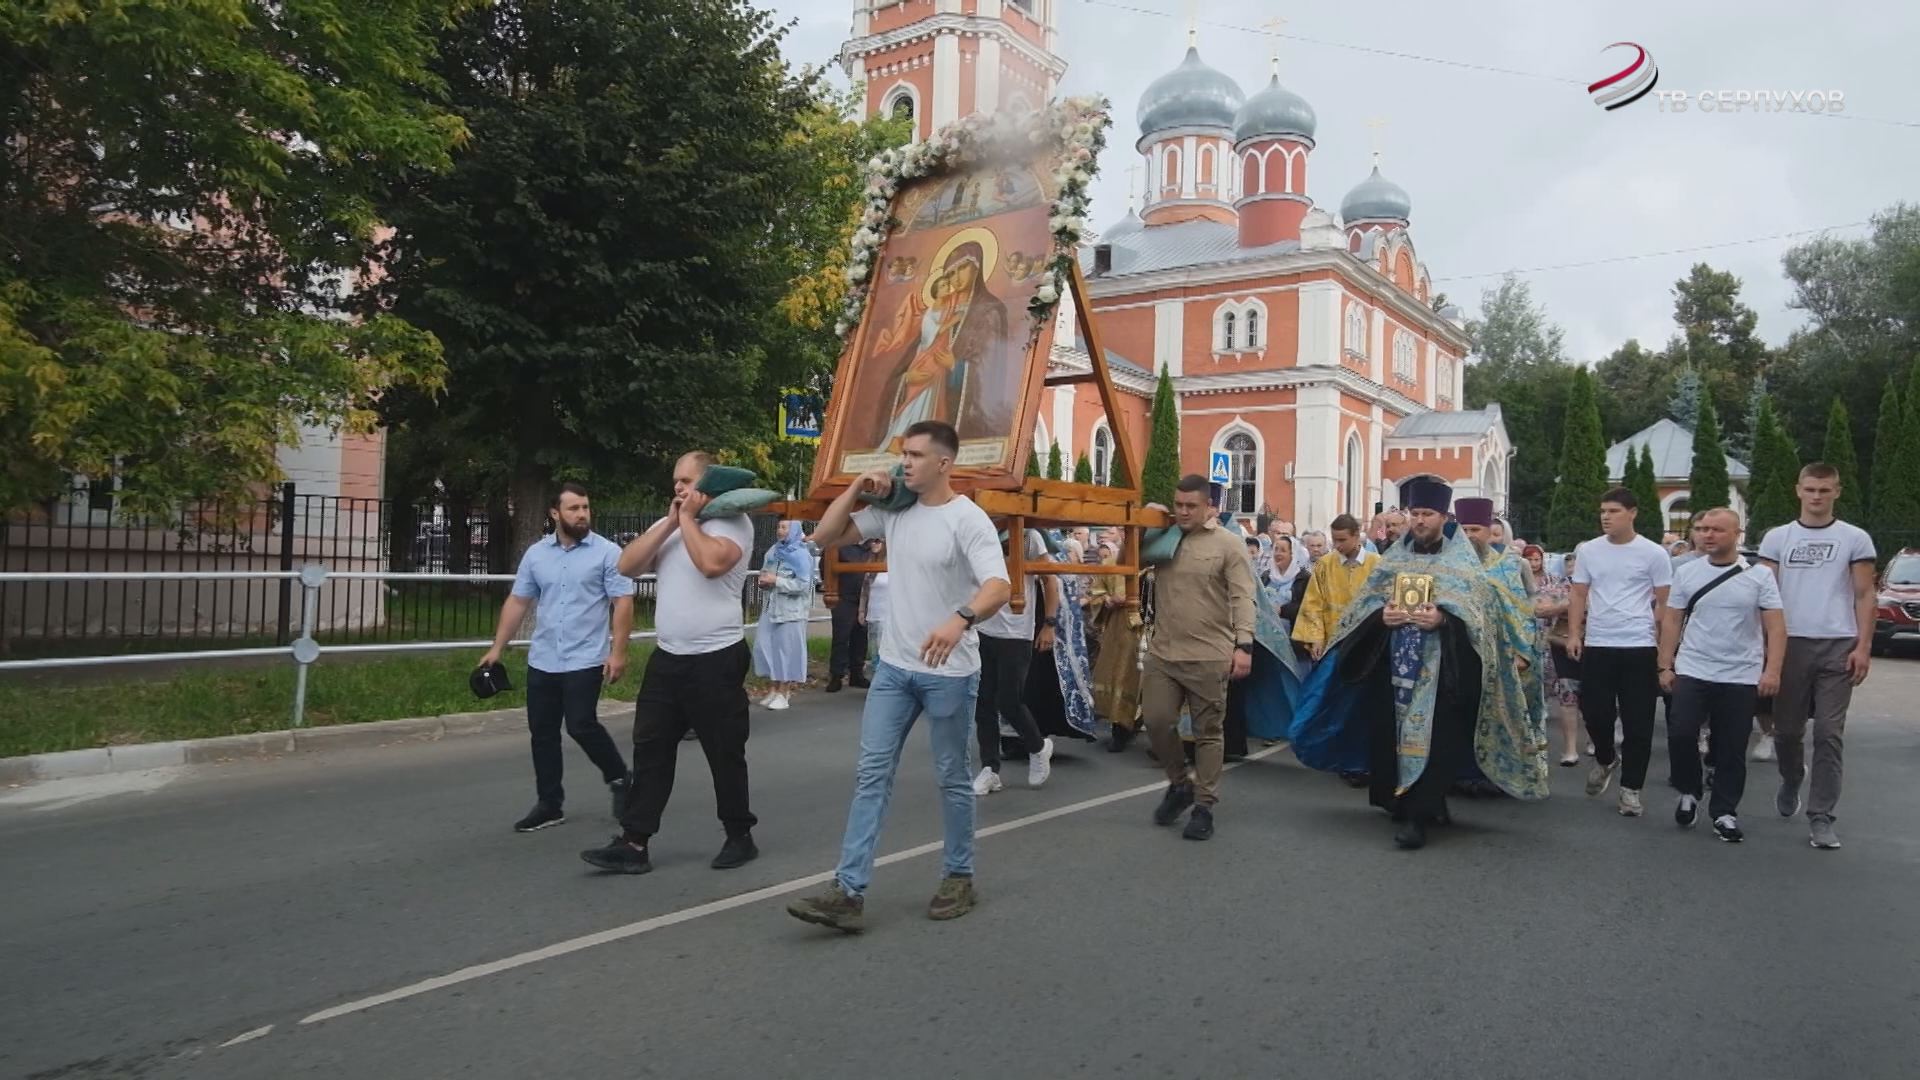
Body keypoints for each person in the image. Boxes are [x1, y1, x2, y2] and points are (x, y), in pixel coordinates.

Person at [787, 421, 1011, 932]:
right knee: (871, 775)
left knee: (952, 777)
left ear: (944, 464)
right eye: (902, 455)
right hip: (894, 669)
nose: (905, 463)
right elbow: (822, 537)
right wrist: (856, 488)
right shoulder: (896, 512)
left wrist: (960, 620)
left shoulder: (967, 519)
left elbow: (999, 586)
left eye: (915, 455)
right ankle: (848, 890)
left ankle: (959, 876)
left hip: (949, 673)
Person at [1292, 480, 1547, 849]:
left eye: (1427, 514)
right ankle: (1407, 802)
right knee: (1392, 737)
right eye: (1415, 514)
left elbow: (1479, 619)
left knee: (1436, 739)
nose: (1419, 520)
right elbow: (1363, 609)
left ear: (1444, 517)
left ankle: (1419, 814)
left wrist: (1444, 621)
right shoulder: (1394, 559)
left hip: (1443, 671)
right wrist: (1384, 616)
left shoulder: (1464, 567)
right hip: (1392, 668)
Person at [580, 453, 758, 875]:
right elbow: (627, 565)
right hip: (669, 659)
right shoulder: (672, 526)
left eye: (686, 480)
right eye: (675, 481)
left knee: (723, 751)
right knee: (651, 751)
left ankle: (739, 835)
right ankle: (634, 842)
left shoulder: (733, 523)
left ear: (708, 482)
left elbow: (712, 565)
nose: (678, 488)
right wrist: (671, 524)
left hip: (716, 658)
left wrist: (690, 521)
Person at [482, 483, 635, 834]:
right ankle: (550, 804)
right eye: (574, 508)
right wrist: (496, 648)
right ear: (555, 514)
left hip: (585, 657)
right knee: (543, 732)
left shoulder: (608, 553)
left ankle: (620, 778)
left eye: (585, 507)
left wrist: (618, 652)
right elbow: (518, 601)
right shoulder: (537, 555)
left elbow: (622, 602)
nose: (582, 514)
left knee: (581, 724)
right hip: (544, 657)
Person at [1757, 462, 1877, 850]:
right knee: (1788, 731)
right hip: (1790, 643)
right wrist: (1763, 647)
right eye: (1810, 489)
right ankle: (1792, 776)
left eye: (1825, 490)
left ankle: (1821, 815)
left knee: (1828, 732)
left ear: (1836, 492)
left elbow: (1864, 595)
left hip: (1837, 643)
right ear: (1799, 491)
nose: (1817, 496)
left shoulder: (1854, 538)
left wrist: (1863, 646)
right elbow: (1763, 594)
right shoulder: (1778, 537)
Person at [1657, 508, 1785, 843]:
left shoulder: (1759, 576)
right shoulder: (1687, 573)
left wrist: (1771, 670)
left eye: (1717, 529)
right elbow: (1672, 620)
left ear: (1737, 534)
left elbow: (1775, 626)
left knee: (1730, 746)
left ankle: (1725, 811)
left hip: (1740, 673)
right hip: (1695, 667)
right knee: (1682, 733)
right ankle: (1688, 790)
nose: (1707, 535)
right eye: (1702, 529)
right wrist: (1665, 664)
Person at [1141, 475, 1257, 842]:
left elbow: (1242, 596)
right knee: (1157, 722)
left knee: (1208, 733)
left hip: (1209, 655)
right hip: (1164, 651)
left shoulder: (1229, 545)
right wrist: (1144, 520)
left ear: (1209, 506)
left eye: (1191, 505)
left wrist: (1245, 645)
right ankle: (1179, 785)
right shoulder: (1163, 537)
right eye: (1178, 504)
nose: (1183, 512)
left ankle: (1204, 806)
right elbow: (1126, 560)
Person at [1566, 487, 1673, 818]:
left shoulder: (1653, 553)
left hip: (1639, 645)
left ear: (1632, 513)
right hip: (1599, 643)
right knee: (1595, 712)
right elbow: (1579, 594)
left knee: (1638, 721)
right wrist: (1574, 633)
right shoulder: (1590, 551)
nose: (1605, 517)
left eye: (1613, 511)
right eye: (1602, 511)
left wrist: (1662, 650)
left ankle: (1631, 790)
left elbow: (1666, 602)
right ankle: (1605, 757)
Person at [971, 527, 1060, 795]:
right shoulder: (980, 529)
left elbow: (1049, 581)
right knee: (983, 700)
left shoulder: (1028, 535)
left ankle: (1038, 746)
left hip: (1016, 631)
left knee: (1009, 700)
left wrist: (1049, 624)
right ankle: (990, 769)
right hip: (984, 627)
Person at [1292, 515, 1378, 661]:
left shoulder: (1376, 564)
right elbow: (1313, 603)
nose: (1337, 545)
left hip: (1366, 641)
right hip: (1331, 642)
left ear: (1356, 536)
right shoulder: (1325, 564)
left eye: (1342, 540)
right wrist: (1316, 637)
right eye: (1335, 539)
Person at [1529, 545, 1583, 767]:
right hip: (1564, 643)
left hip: (1599, 644)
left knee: (1595, 699)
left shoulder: (1606, 585)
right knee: (1568, 696)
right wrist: (1568, 604)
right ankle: (1570, 749)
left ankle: (1597, 742)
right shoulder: (1564, 584)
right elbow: (1541, 607)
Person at [752, 521, 814, 710]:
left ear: (794, 530)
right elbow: (765, 571)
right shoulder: (773, 551)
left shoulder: (802, 555)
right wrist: (763, 581)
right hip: (771, 607)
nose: (780, 530)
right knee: (765, 646)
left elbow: (804, 585)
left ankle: (784, 692)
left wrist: (777, 581)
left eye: (784, 527)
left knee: (786, 651)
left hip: (791, 612)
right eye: (778, 526)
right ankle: (773, 687)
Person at [827, 538, 876, 693]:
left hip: (865, 598)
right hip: (844, 597)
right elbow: (826, 567)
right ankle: (836, 675)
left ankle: (857, 673)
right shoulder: (841, 546)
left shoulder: (871, 548)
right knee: (841, 637)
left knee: (861, 636)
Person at [858, 544, 888, 668]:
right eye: (872, 541)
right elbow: (864, 590)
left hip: (887, 615)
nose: (874, 544)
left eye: (877, 541)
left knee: (884, 650)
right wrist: (861, 611)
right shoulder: (869, 562)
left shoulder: (891, 562)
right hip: (872, 614)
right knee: (874, 650)